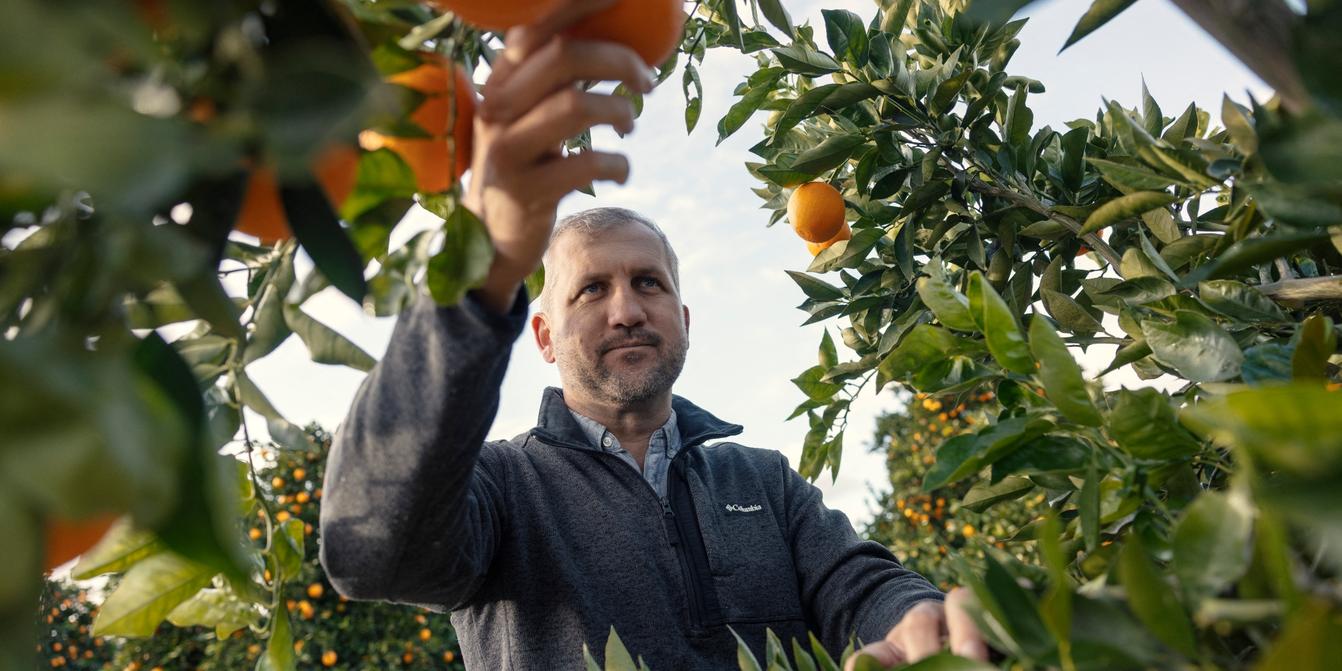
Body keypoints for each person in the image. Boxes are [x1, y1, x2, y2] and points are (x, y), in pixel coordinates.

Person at [318, 1, 989, 668]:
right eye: (591, 289)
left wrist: (912, 618)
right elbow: (369, 547)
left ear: (684, 321)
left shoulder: (763, 481)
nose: (626, 311)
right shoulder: (503, 487)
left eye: (648, 283)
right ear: (545, 337)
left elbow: (860, 584)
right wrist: (479, 272)